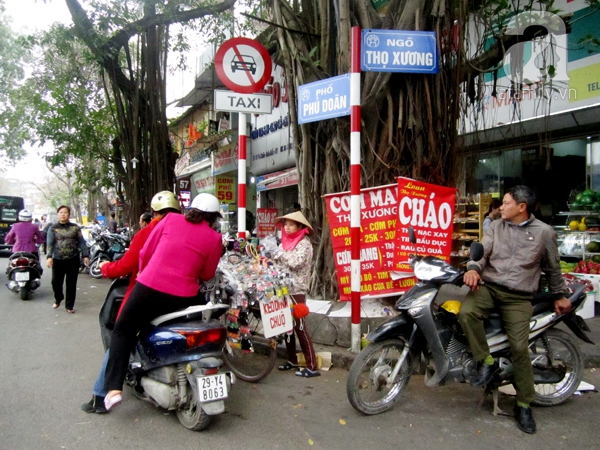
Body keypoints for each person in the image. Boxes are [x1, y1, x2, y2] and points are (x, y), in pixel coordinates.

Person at [458, 186, 572, 434]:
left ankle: (523, 405)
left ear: (522, 207)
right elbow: (482, 251)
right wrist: (473, 268)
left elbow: (553, 268)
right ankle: (485, 360)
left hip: (519, 296)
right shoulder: (496, 226)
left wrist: (560, 295)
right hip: (489, 287)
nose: (501, 207)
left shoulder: (544, 233)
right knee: (466, 313)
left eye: (506, 203)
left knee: (520, 347)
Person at [102, 193, 224, 411]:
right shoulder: (215, 238)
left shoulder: (170, 220)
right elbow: (206, 275)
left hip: (149, 288)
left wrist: (148, 272)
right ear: (214, 217)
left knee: (124, 329)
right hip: (185, 296)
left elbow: (146, 251)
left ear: (190, 209)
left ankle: (113, 388)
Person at [81, 191, 180, 414]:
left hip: (144, 294)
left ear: (154, 212)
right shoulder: (185, 232)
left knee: (121, 335)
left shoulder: (147, 233)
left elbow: (125, 265)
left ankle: (101, 394)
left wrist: (105, 267)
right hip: (181, 296)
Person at [269, 211, 320, 378]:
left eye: (291, 224)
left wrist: (277, 254)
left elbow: (294, 263)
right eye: (285, 224)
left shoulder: (304, 243)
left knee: (299, 328)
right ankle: (292, 360)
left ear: (300, 226)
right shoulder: (286, 242)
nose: (287, 227)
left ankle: (312, 365)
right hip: (285, 289)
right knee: (287, 328)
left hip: (297, 291)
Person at [46, 206, 90, 313]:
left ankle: (69, 306)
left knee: (71, 283)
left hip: (73, 259)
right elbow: (50, 244)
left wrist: (85, 255)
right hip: (58, 259)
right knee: (55, 282)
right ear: (58, 214)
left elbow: (82, 242)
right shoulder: (53, 228)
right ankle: (58, 298)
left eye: (65, 212)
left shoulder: (75, 228)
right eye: (61, 212)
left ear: (69, 214)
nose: (63, 214)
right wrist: (49, 257)